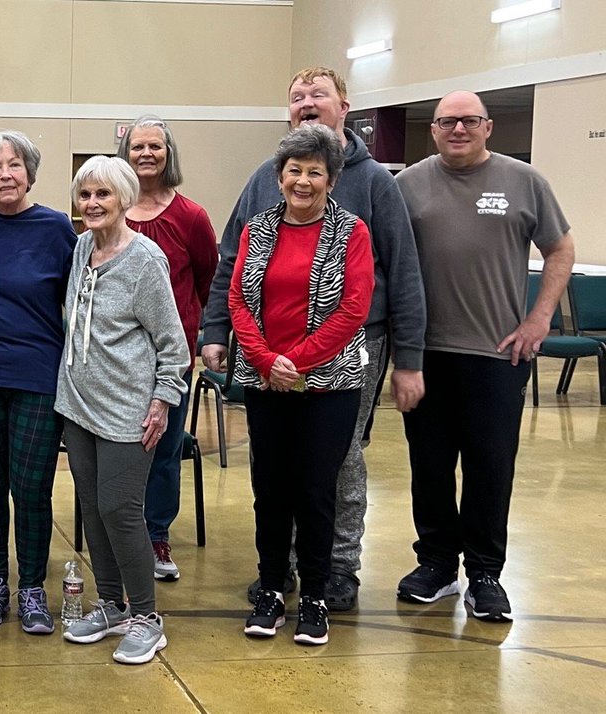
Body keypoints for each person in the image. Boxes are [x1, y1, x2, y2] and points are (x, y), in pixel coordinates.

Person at [200, 67, 426, 611]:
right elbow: (233, 260)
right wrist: (216, 331)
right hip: (265, 353)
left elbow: (404, 272)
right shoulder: (263, 179)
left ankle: (337, 569)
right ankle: (282, 568)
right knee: (275, 463)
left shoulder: (374, 184)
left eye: (318, 94)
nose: (306, 102)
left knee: (338, 461)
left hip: (348, 347)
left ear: (343, 107)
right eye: (297, 95)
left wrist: (410, 358)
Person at [394, 91, 574, 622]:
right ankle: (436, 566)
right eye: (447, 121)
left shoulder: (525, 181)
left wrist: (539, 319)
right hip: (425, 355)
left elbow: (560, 248)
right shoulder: (406, 186)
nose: (458, 129)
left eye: (469, 121)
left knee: (489, 468)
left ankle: (486, 574)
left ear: (488, 127)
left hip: (497, 357)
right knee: (429, 467)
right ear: (433, 129)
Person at [235, 126, 374, 647]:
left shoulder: (351, 231)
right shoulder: (258, 228)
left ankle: (314, 595)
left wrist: (297, 360)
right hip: (265, 380)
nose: (304, 180)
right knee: (270, 490)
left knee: (316, 491)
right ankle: (272, 588)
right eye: (295, 170)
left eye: (316, 171)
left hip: (330, 384)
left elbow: (353, 309)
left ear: (332, 179)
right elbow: (239, 303)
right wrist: (269, 361)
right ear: (279, 176)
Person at [57, 155, 189, 665]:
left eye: (102, 195)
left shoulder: (145, 261)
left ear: (125, 200)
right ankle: (111, 604)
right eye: (85, 195)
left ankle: (147, 618)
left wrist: (162, 400)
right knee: (92, 507)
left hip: (129, 408)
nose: (91, 204)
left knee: (120, 508)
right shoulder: (80, 247)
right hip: (78, 403)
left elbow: (173, 345)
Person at [0, 130, 76, 633]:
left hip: (37, 377)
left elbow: (77, 300)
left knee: (30, 488)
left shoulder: (57, 228)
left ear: (30, 173)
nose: (5, 174)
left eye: (14, 165)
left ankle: (31, 591)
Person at [116, 115, 218, 581]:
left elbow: (205, 281)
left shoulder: (191, 217)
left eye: (155, 146)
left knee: (164, 446)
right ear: (125, 153)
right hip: (115, 358)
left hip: (169, 359)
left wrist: (186, 334)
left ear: (168, 153)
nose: (146, 154)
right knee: (119, 447)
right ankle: (120, 532)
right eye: (138, 147)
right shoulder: (110, 208)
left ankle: (156, 535)